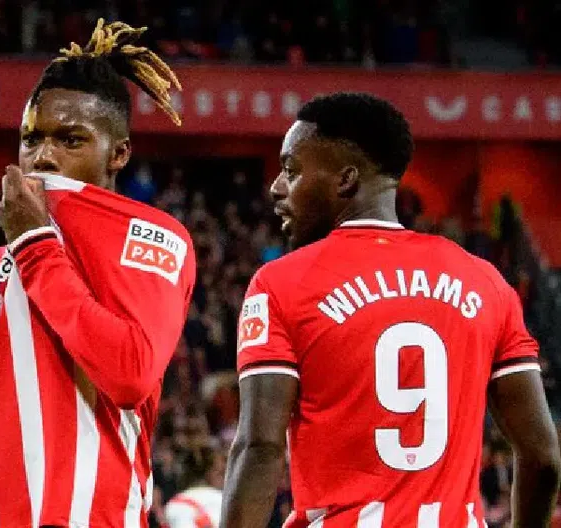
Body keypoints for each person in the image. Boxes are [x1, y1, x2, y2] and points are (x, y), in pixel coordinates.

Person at [0, 19, 196, 528]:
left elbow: (130, 373)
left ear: (118, 153)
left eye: (71, 140)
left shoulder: (153, 239)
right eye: (31, 139)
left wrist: (34, 246)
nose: (44, 156)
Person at [221, 93, 561, 527]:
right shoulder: (487, 282)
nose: (277, 187)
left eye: (291, 170)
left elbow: (260, 448)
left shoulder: (282, 283)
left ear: (346, 180)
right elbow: (542, 457)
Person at [164, 446, 225, 528]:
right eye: (221, 473)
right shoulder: (223, 501)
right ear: (210, 473)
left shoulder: (175, 504)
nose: (225, 478)